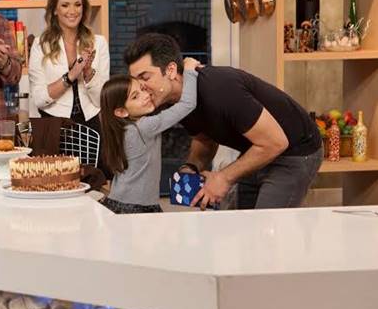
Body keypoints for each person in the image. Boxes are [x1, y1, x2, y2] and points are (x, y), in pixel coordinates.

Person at [125, 33, 323, 210]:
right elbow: (205, 138)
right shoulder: (179, 102)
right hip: (258, 148)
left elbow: (275, 142)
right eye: (135, 81)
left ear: (170, 70)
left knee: (266, 230)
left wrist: (223, 178)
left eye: (145, 77)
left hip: (295, 151)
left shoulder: (218, 89)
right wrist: (191, 167)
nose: (140, 87)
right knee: (242, 225)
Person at [99, 64, 198, 214]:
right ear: (121, 112)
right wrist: (190, 70)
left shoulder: (122, 129)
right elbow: (188, 104)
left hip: (119, 201)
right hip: (136, 208)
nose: (145, 95)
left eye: (143, 89)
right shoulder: (144, 127)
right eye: (135, 96)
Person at [28, 0, 109, 135]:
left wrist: (88, 72)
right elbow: (39, 99)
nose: (72, 11)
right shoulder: (40, 45)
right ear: (54, 10)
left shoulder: (99, 43)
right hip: (52, 126)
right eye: (65, 5)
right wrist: (71, 76)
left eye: (77, 5)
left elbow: (102, 100)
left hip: (90, 127)